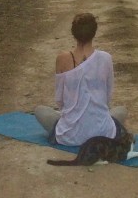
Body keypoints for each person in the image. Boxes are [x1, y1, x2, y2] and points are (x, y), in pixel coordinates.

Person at [34, 12, 127, 146]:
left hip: (70, 134)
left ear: (74, 33)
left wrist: (72, 112)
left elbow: (60, 100)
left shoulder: (62, 59)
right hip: (103, 133)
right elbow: (107, 97)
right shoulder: (106, 58)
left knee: (39, 110)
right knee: (121, 111)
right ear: (94, 33)